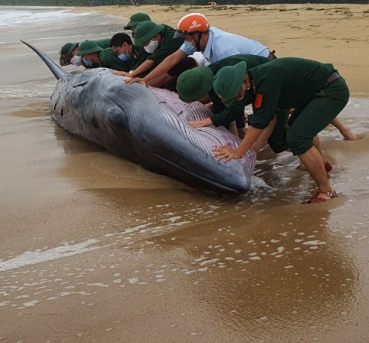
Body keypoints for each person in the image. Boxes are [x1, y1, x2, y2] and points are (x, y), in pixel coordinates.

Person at [211, 58, 350, 204]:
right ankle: (321, 163)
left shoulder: (266, 81)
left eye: (237, 96)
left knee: (297, 138)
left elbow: (259, 124)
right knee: (297, 129)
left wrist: (238, 152)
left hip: (331, 90)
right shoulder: (257, 83)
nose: (237, 101)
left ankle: (326, 191)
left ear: (245, 82)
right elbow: (269, 119)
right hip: (312, 94)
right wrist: (253, 151)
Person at [139, 13, 273, 88]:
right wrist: (145, 79)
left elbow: (237, 79)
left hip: (264, 66)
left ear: (197, 35)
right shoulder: (197, 40)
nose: (185, 42)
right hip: (243, 67)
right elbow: (172, 59)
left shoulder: (223, 48)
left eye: (186, 38)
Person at [117, 20, 192, 85]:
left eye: (145, 43)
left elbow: (155, 60)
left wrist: (135, 75)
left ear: (154, 36)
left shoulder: (172, 40)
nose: (144, 46)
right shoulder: (159, 34)